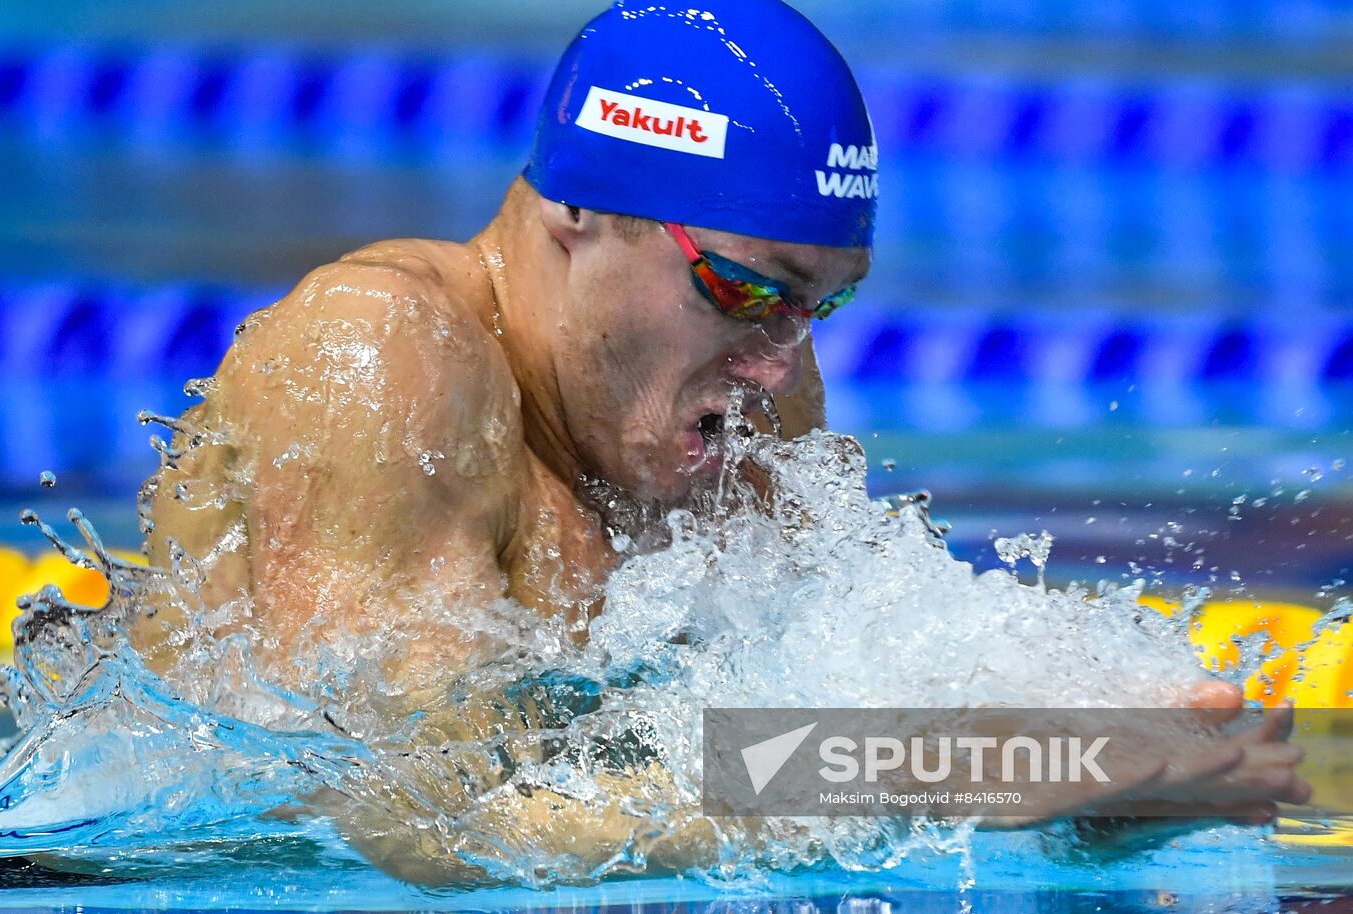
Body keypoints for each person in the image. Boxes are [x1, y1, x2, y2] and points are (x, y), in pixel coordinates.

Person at [136, 0, 1310, 885]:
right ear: (576, 212)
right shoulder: (381, 358)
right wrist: (924, 769)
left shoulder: (742, 393)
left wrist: (1078, 776)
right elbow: (424, 817)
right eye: (745, 290)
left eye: (820, 306)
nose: (779, 362)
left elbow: (792, 728)